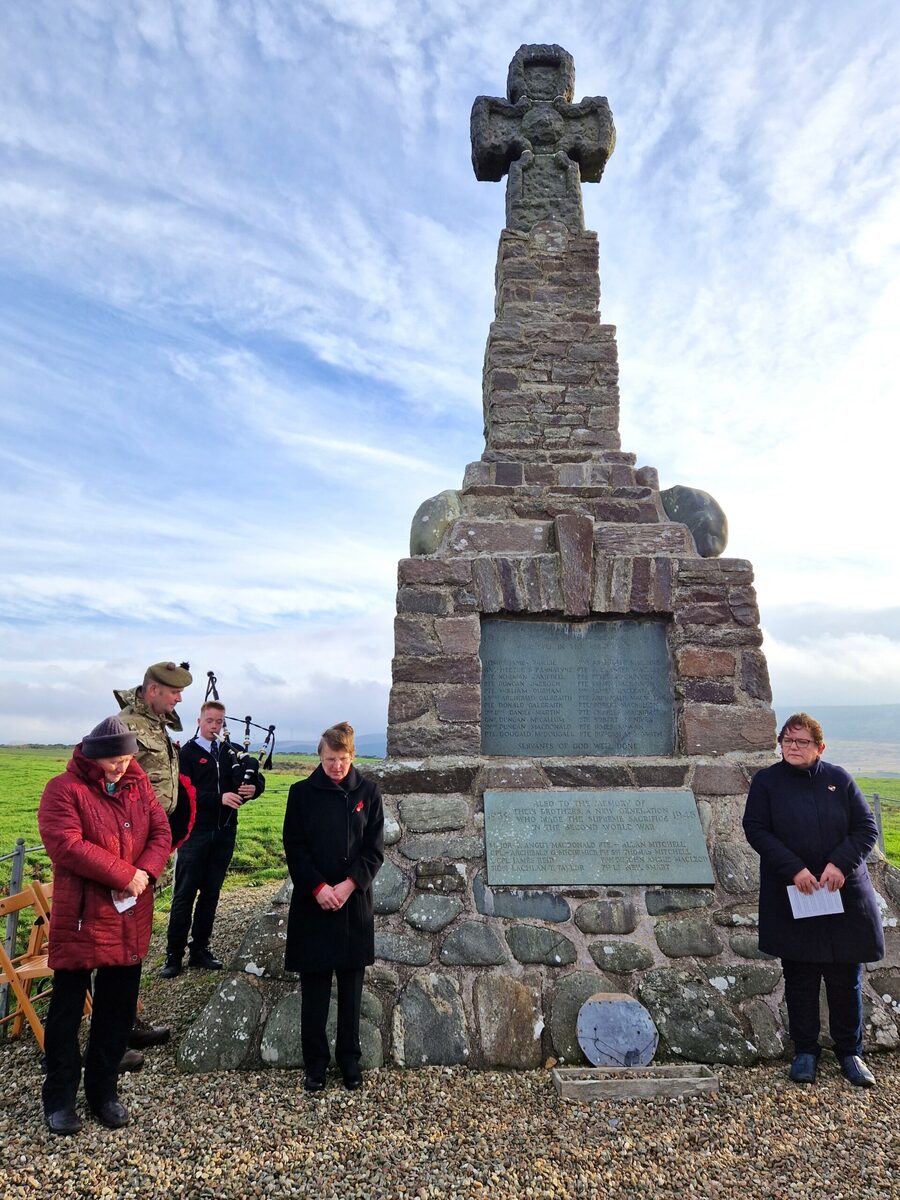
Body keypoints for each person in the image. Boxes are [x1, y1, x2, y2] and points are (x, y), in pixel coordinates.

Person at [37, 717, 171, 1134]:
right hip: (81, 918)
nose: (121, 768)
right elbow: (67, 845)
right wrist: (124, 875)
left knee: (115, 1012)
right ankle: (59, 1099)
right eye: (114, 761)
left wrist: (145, 874)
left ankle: (103, 1092)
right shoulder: (63, 790)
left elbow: (161, 833)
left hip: (129, 914)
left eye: (127, 759)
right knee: (66, 1013)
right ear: (93, 756)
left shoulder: (139, 784)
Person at [743, 712, 884, 1087]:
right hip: (795, 893)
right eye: (786, 740)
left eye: (801, 741)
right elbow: (755, 829)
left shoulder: (839, 780)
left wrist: (840, 864)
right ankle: (805, 1051)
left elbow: (866, 828)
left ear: (820, 747)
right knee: (800, 977)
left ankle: (850, 1053)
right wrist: (794, 869)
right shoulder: (767, 782)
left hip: (842, 895)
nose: (792, 747)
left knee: (845, 979)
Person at [282, 722, 384, 1092]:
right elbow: (295, 847)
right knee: (315, 989)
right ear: (319, 757)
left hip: (353, 903)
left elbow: (374, 850)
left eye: (342, 759)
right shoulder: (301, 793)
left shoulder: (369, 793)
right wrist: (319, 887)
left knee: (351, 988)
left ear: (352, 756)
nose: (336, 766)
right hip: (314, 903)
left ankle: (350, 1060)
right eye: (329, 760)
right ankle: (315, 1064)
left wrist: (348, 884)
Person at [114, 659, 194, 1048]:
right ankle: (113, 1034)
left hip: (150, 845)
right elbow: (109, 785)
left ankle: (128, 1021)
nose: (179, 698)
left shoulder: (158, 727)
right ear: (151, 691)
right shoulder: (125, 726)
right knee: (118, 938)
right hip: (126, 849)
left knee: (135, 938)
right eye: (174, 692)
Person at [160, 700, 265, 977]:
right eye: (210, 721)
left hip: (225, 832)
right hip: (195, 833)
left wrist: (253, 788)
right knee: (184, 894)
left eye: (219, 722)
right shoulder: (187, 754)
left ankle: (200, 950)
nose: (215, 727)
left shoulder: (233, 752)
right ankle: (173, 955)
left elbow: (258, 779)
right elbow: (183, 794)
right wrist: (219, 798)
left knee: (211, 893)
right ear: (199, 721)